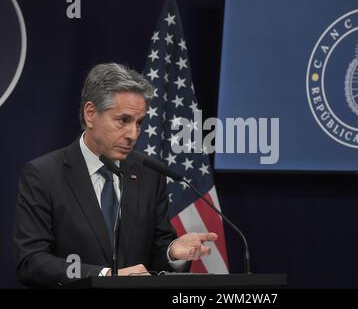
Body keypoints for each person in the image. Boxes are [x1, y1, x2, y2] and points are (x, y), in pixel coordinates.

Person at [12, 63, 217, 287]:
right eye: (123, 120)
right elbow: (32, 261)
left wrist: (172, 253)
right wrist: (104, 276)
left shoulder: (149, 173)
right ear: (90, 114)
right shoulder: (44, 175)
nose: (133, 134)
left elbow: (156, 253)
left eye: (139, 123)